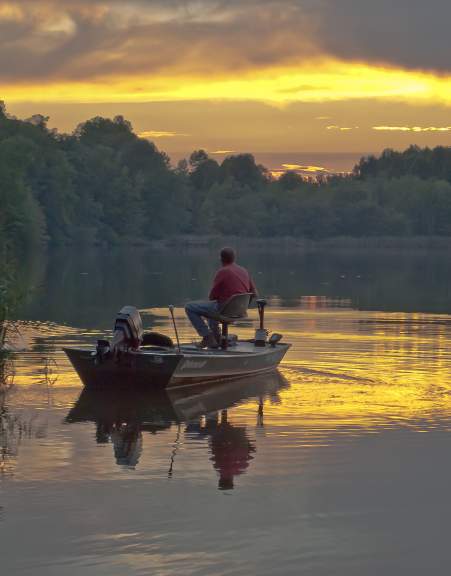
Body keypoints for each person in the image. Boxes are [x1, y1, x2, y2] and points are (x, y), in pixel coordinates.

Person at [185, 247, 257, 348]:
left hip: (224, 311)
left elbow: (212, 297)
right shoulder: (244, 271)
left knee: (190, 307)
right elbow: (254, 293)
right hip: (240, 312)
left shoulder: (223, 272)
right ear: (234, 258)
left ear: (221, 259)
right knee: (212, 307)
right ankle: (216, 338)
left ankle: (207, 337)